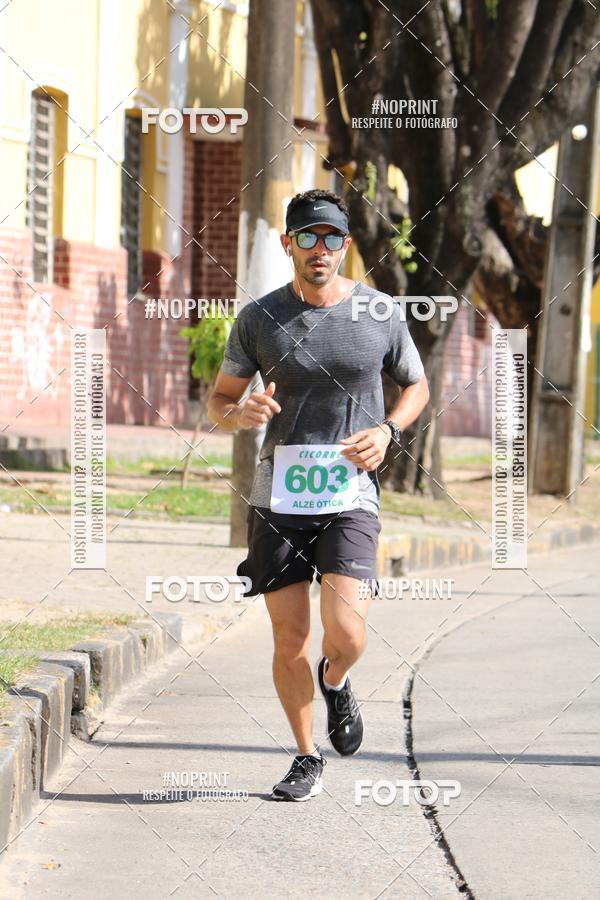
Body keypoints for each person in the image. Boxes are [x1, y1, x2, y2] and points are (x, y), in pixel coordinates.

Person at [207, 188, 429, 801]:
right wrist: (240, 412)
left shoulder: (380, 314)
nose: (320, 249)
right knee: (288, 638)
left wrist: (389, 431)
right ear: (288, 244)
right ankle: (306, 756)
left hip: (350, 492)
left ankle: (337, 679)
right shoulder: (258, 318)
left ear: (346, 246)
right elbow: (220, 401)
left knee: (347, 632)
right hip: (277, 495)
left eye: (331, 238)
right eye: (307, 237)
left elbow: (417, 387)